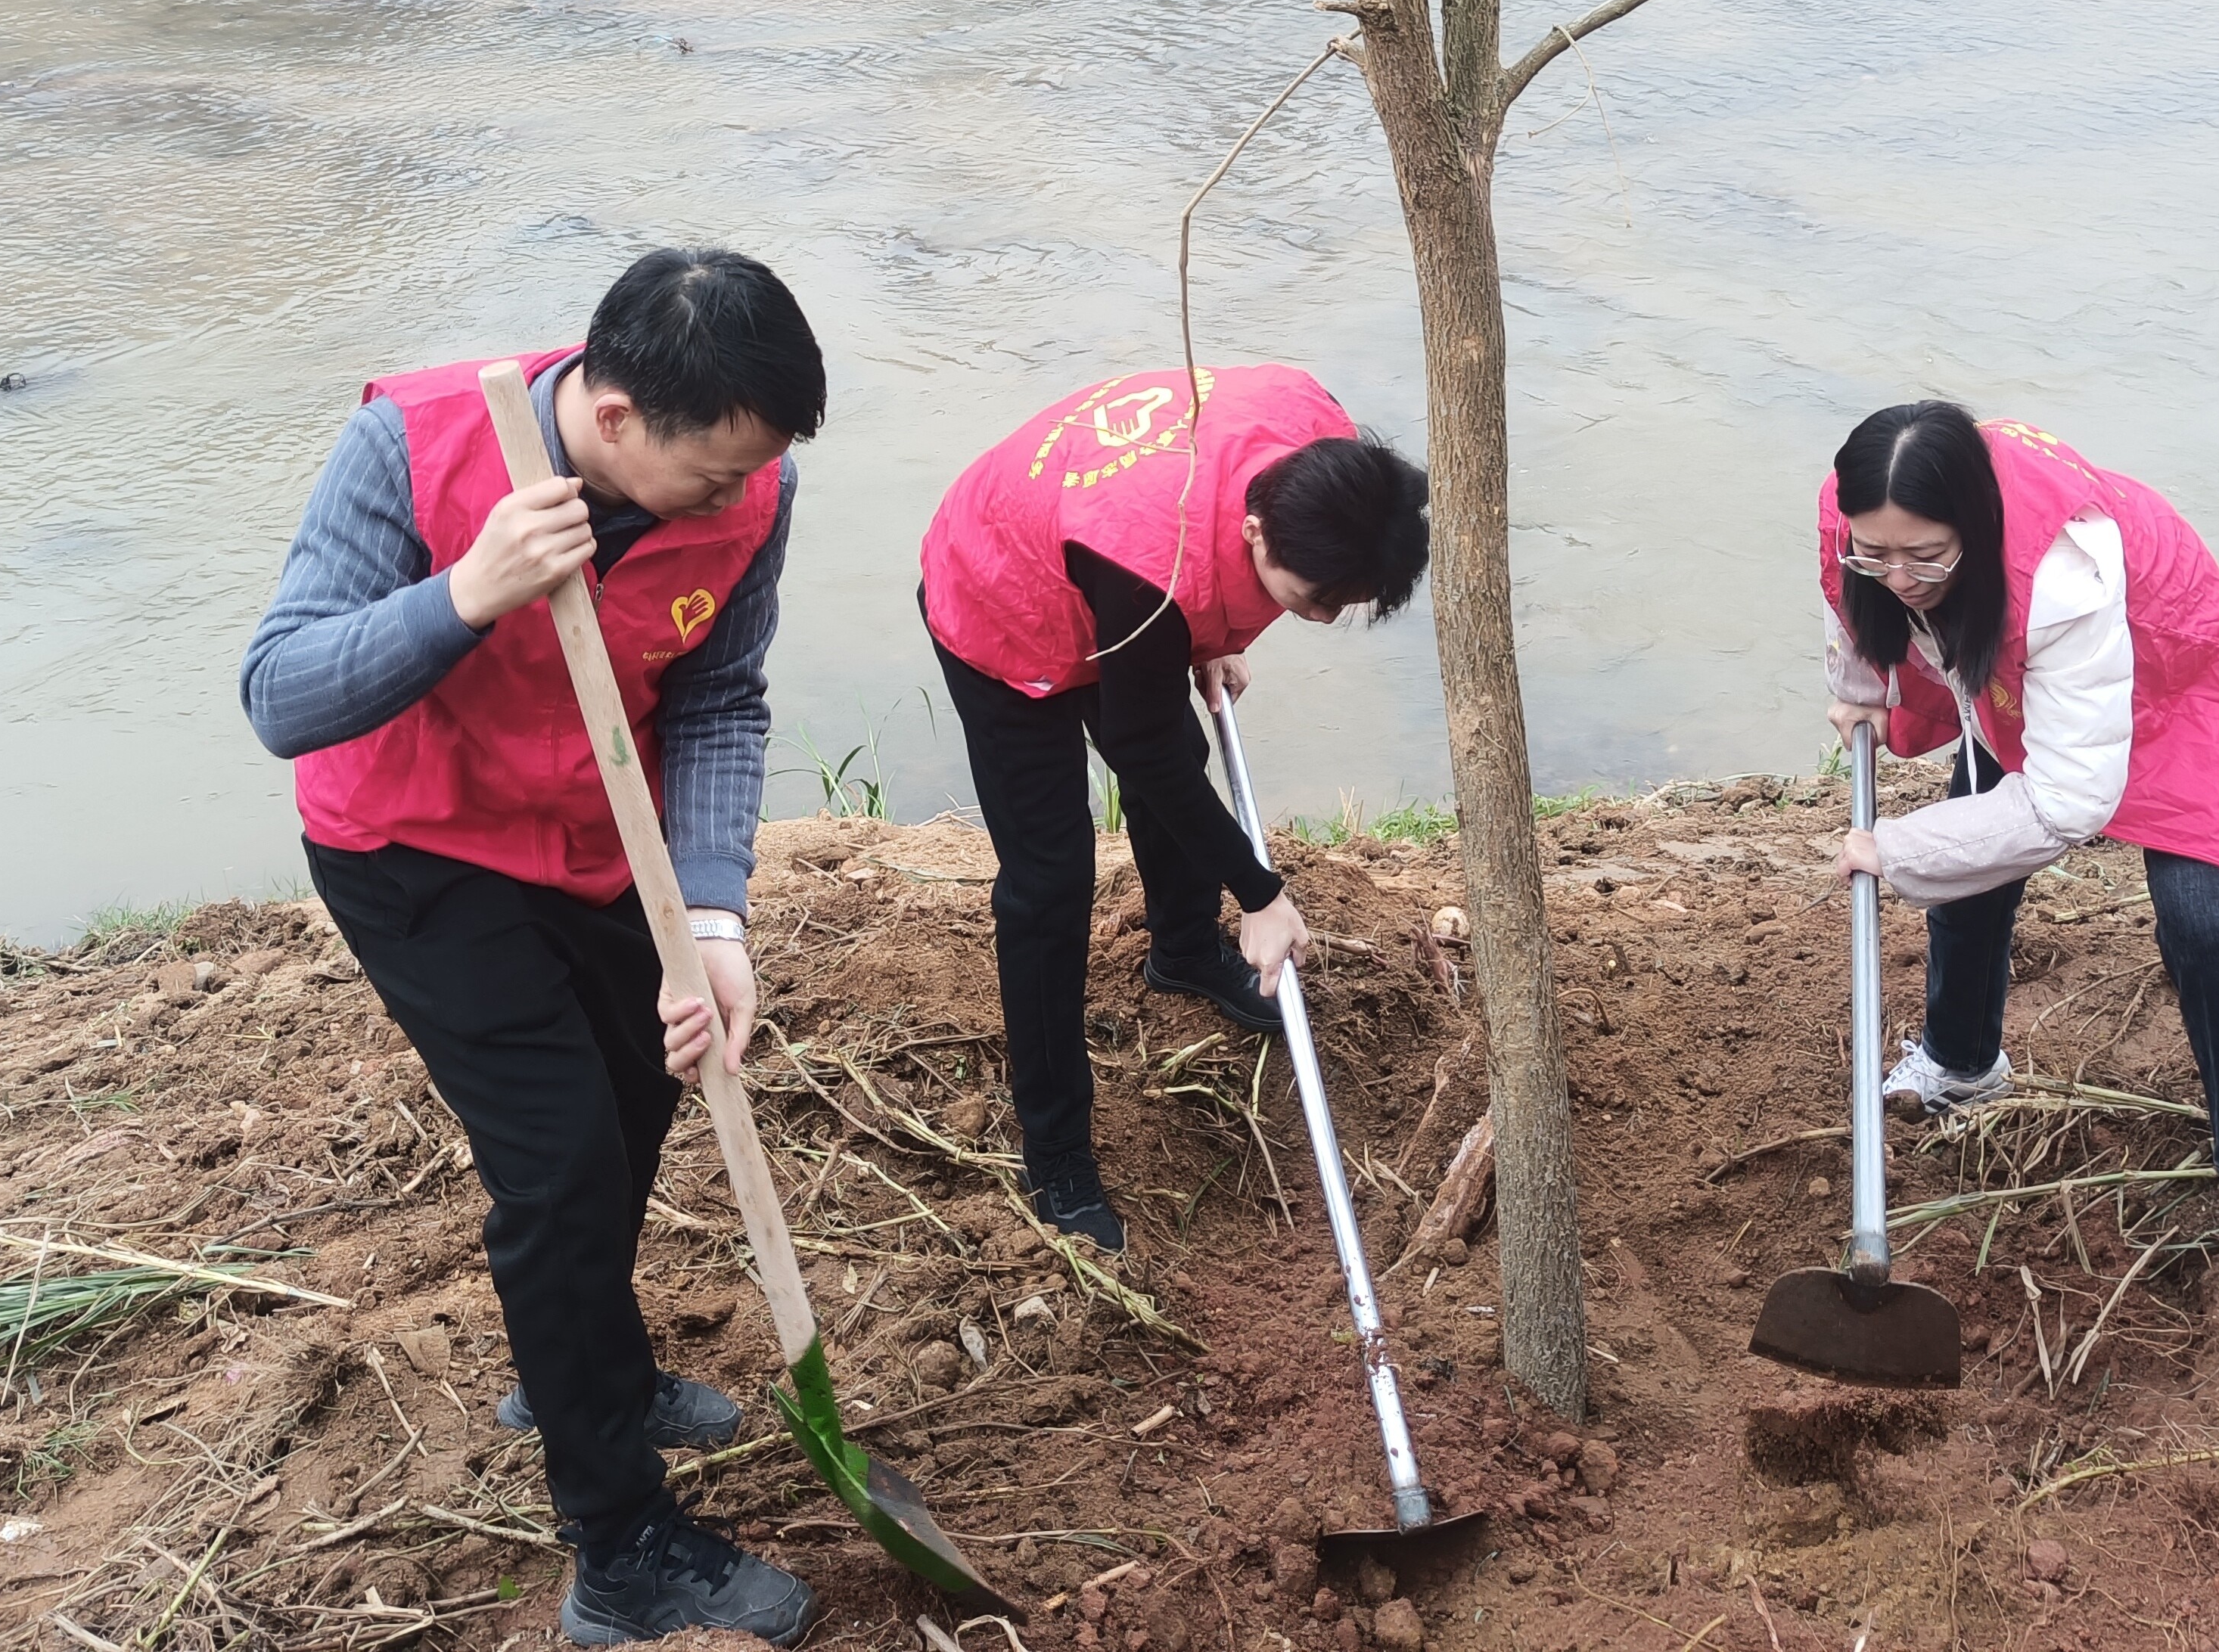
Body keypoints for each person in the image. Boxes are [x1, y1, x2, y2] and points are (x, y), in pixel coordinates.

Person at [241, 248, 825, 1646]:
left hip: (602, 838)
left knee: (633, 1112)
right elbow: (280, 694)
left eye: (755, 471)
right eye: (714, 475)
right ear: (615, 418)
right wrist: (468, 591)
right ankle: (619, 1549)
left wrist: (711, 912)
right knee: (560, 1168)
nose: (739, 498)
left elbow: (719, 699)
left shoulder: (752, 489)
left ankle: (582, 1368)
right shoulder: (413, 446)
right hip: (419, 850)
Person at [1813, 402, 2219, 1329]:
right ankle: (1964, 1062)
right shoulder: (1861, 515)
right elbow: (1851, 599)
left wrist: (1893, 847)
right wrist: (1862, 691)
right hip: (2026, 658)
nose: (1897, 577)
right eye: (1877, 553)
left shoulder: (2063, 575)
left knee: (2202, 920)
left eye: (1925, 557)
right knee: (1976, 837)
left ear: (1974, 527)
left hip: (2167, 666)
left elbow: (2066, 804)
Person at [920, 365, 1431, 1253]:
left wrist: (1210, 632)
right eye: (1307, 600)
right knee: (1050, 878)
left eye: (1340, 605)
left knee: (1183, 762)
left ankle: (1184, 953)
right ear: (1255, 528)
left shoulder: (1317, 432)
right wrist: (1260, 893)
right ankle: (1057, 1154)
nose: (1318, 620)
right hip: (1001, 593)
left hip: (1112, 570)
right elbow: (1140, 744)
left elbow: (1165, 699)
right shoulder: (1147, 570)